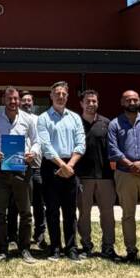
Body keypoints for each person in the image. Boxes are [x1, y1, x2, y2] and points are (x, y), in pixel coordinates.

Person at [0, 87, 41, 263]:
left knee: (25, 212)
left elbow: (37, 141)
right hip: (0, 171)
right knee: (0, 212)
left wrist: (33, 152)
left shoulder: (28, 120)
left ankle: (25, 249)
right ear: (4, 99)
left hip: (22, 169)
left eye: (16, 99)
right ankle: (2, 250)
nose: (13, 102)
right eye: (10, 99)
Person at [107, 90, 140, 266]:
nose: (132, 101)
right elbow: (113, 148)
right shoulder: (115, 124)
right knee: (127, 214)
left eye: (135, 99)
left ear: (139, 101)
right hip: (125, 174)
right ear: (122, 102)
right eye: (128, 99)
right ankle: (131, 250)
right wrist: (130, 164)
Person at [36, 81, 86, 262]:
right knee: (52, 209)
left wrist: (70, 165)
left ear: (67, 96)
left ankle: (71, 248)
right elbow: (45, 146)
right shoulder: (43, 118)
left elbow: (81, 143)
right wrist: (61, 165)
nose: (60, 96)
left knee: (70, 210)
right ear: (51, 96)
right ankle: (55, 248)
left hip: (71, 165)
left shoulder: (75, 118)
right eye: (57, 93)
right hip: (51, 166)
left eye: (64, 94)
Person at [76, 90, 118, 260]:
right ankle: (86, 246)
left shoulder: (107, 123)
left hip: (105, 176)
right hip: (82, 176)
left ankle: (108, 247)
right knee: (84, 213)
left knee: (107, 213)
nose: (91, 104)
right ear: (82, 104)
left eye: (94, 101)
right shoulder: (75, 123)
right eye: (88, 101)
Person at [20, 90, 46, 247]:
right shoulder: (16, 119)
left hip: (37, 167)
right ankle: (19, 236)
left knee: (39, 203)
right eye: (24, 100)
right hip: (19, 167)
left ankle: (40, 234)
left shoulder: (39, 120)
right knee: (20, 204)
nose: (26, 103)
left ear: (33, 103)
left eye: (29, 100)